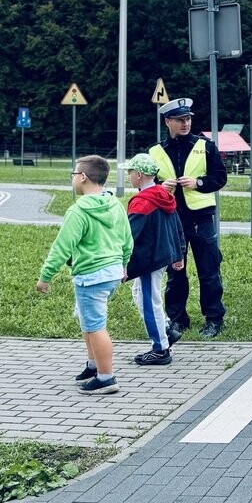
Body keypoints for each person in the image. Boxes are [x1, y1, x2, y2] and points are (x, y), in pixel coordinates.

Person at [35, 155, 132, 396]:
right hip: (111, 272)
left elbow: (62, 247)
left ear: (83, 177)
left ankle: (106, 377)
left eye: (74, 175)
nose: (73, 179)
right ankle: (93, 366)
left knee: (96, 326)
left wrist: (45, 276)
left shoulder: (78, 211)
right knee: (88, 322)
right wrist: (124, 265)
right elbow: (127, 239)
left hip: (92, 276)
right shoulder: (115, 204)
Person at [151, 98, 228, 340]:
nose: (186, 123)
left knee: (209, 270)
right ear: (168, 122)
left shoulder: (205, 146)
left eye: (188, 119)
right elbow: (145, 183)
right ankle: (178, 319)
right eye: (180, 120)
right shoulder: (155, 151)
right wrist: (160, 186)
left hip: (201, 218)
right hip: (172, 218)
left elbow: (220, 178)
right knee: (176, 273)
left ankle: (214, 319)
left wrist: (199, 183)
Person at [123, 152, 187, 366]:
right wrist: (178, 253)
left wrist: (122, 262)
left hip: (150, 259)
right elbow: (177, 226)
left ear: (139, 175)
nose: (129, 176)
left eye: (130, 173)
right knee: (141, 295)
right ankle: (167, 329)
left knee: (150, 302)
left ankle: (160, 349)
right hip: (163, 256)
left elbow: (129, 235)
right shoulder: (164, 195)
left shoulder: (142, 202)